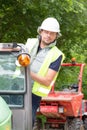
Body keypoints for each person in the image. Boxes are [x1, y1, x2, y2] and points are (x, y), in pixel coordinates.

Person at [25, 17, 65, 127]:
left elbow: (47, 81)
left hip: (33, 94)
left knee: (26, 123)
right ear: (41, 31)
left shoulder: (57, 55)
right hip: (17, 87)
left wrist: (26, 73)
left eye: (52, 33)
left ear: (56, 36)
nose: (48, 35)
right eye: (46, 32)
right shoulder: (30, 43)